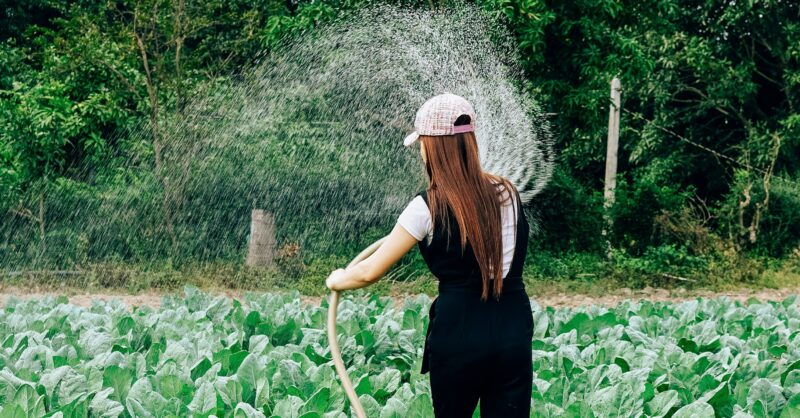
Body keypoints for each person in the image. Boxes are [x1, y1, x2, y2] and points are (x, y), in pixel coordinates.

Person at [325, 92, 533, 417]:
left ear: (432, 148)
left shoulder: (425, 207)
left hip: (459, 332)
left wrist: (338, 279)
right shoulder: (507, 192)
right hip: (512, 329)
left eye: (422, 143)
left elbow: (369, 272)